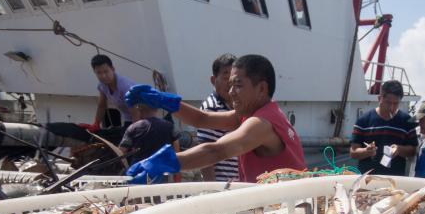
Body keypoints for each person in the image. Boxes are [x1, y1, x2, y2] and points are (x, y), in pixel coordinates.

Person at [123, 54, 306, 183]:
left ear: (261, 89)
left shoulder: (261, 124)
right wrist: (163, 100)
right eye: (230, 85)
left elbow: (217, 151)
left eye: (238, 85)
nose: (231, 92)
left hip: (284, 211)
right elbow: (202, 119)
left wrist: (167, 162)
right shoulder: (256, 113)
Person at [349, 80, 418, 176]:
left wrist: (399, 149)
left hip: (395, 181)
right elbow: (353, 152)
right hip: (367, 180)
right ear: (379, 98)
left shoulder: (407, 121)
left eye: (396, 103)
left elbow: (413, 150)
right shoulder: (363, 120)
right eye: (388, 103)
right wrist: (366, 151)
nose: (392, 107)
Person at [195, 53, 240, 182]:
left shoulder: (239, 105)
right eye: (226, 77)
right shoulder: (211, 108)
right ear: (213, 80)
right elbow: (205, 154)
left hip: (242, 184)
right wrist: (213, 190)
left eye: (234, 78)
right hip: (224, 186)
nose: (230, 84)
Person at [119, 102, 181, 168]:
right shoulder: (170, 126)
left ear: (139, 109)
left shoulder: (133, 127)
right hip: (162, 168)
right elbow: (176, 149)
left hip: (139, 169)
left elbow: (122, 151)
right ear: (156, 109)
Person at [91, 54, 136, 130]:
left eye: (106, 71)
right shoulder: (102, 85)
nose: (103, 76)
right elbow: (102, 105)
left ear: (112, 69)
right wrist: (96, 123)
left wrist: (135, 131)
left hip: (143, 117)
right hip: (128, 118)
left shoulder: (125, 86)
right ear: (94, 72)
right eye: (99, 73)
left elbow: (135, 110)